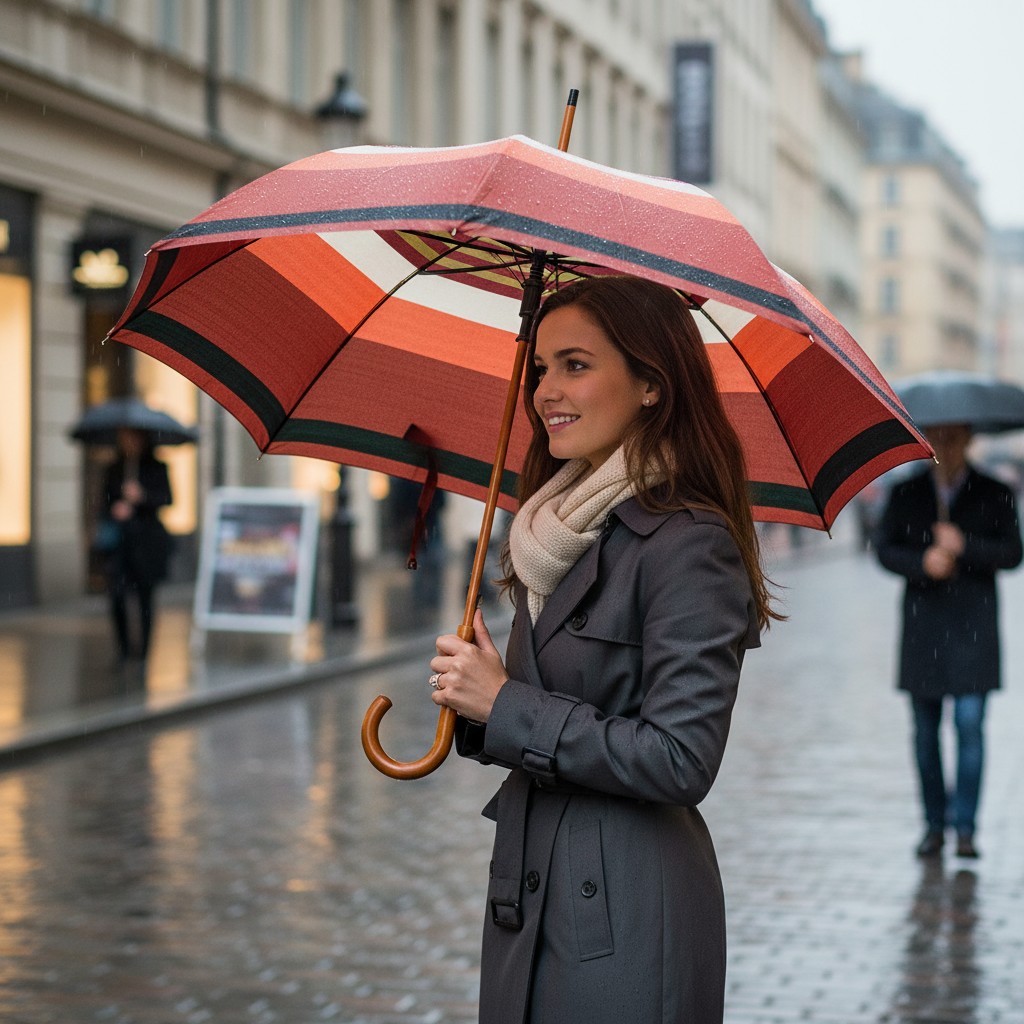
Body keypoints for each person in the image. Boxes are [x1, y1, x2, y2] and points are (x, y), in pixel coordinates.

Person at [428, 276, 777, 1023]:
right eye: (541, 367)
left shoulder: (689, 545)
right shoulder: (554, 529)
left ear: (651, 382)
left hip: (623, 909)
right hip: (527, 895)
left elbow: (681, 757)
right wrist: (477, 702)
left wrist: (506, 704)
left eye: (575, 365)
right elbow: (551, 706)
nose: (545, 390)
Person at [875, 423, 1022, 860]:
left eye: (955, 437)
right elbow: (883, 549)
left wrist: (965, 545)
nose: (947, 445)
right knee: (924, 734)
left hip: (974, 630)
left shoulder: (995, 491)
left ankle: (966, 828)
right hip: (924, 631)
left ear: (969, 440)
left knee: (970, 727)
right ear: (928, 441)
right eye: (939, 437)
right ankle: (934, 825)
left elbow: (1013, 553)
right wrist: (924, 560)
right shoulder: (906, 492)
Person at [99, 427, 173, 665]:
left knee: (145, 598)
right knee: (117, 595)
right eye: (124, 438)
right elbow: (103, 501)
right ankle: (123, 649)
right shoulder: (115, 468)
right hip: (121, 544)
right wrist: (115, 508)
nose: (129, 442)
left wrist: (142, 497)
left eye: (133, 438)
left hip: (147, 543)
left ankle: (144, 652)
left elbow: (167, 499)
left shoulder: (156, 467)